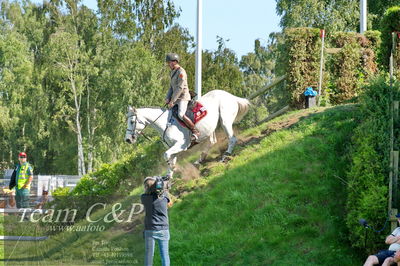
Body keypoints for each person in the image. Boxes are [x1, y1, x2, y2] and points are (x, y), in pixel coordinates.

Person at [165, 53, 200, 141]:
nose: (168, 65)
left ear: (174, 62)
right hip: (176, 98)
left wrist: (172, 101)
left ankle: (195, 131)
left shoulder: (181, 72)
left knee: (180, 115)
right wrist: (167, 97)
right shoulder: (173, 72)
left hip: (183, 97)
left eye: (169, 63)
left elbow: (180, 87)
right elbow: (171, 87)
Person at [141, 176, 171, 266]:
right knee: (165, 255)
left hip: (150, 230)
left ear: (146, 187)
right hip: (163, 229)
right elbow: (170, 203)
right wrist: (164, 187)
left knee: (149, 256)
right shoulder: (164, 196)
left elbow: (149, 192)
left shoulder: (144, 198)